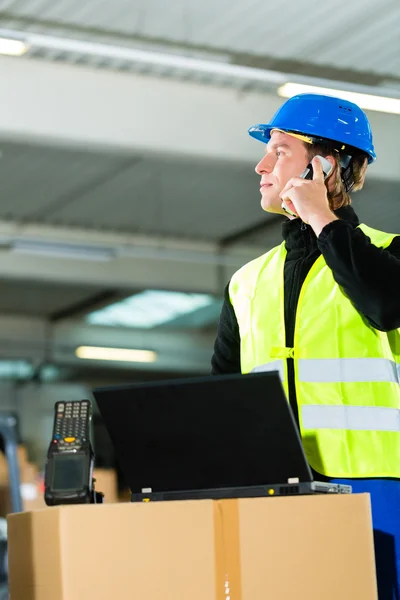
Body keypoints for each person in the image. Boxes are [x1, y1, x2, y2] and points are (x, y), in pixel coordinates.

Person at [211, 93, 400, 598]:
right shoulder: (247, 281)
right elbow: (221, 397)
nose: (261, 165)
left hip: (377, 490)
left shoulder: (391, 254)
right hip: (274, 490)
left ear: (324, 164)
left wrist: (325, 220)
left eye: (278, 150)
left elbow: (384, 305)